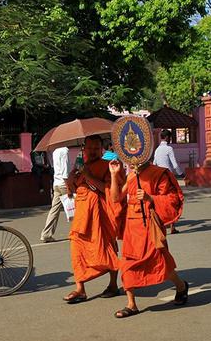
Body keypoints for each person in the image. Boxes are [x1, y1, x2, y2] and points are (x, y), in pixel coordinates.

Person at [109, 159, 188, 318]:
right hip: (132, 227)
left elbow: (172, 199)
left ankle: (180, 286)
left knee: (160, 263)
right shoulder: (132, 175)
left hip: (149, 225)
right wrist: (113, 174)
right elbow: (116, 198)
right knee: (127, 265)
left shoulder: (159, 173)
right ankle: (131, 304)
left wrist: (150, 198)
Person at [63, 135, 119, 304]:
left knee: (106, 247)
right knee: (77, 250)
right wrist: (70, 182)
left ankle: (113, 284)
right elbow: (72, 192)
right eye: (90, 148)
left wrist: (88, 176)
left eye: (96, 148)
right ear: (84, 149)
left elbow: (109, 190)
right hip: (81, 217)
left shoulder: (107, 166)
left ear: (102, 149)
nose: (93, 151)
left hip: (100, 216)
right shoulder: (80, 167)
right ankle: (80, 289)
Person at [153, 129, 184, 234]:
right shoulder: (169, 149)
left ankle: (162, 223)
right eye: (170, 138)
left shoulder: (157, 150)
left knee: (161, 200)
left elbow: (154, 164)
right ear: (167, 138)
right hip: (168, 176)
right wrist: (181, 174)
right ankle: (172, 226)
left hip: (158, 177)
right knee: (173, 200)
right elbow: (174, 164)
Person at [40, 146, 69, 243]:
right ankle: (80, 232)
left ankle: (46, 234)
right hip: (64, 184)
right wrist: (69, 186)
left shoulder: (55, 151)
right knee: (74, 208)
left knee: (54, 210)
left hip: (56, 183)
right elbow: (65, 170)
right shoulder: (65, 150)